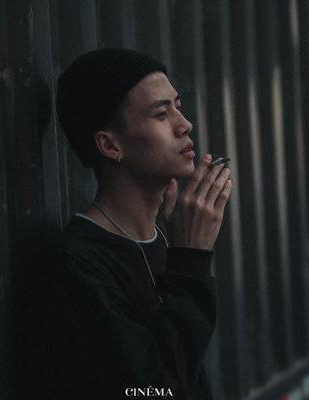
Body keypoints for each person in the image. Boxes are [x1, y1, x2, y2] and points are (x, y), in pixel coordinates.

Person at [53, 48, 232, 400]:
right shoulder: (80, 262)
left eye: (178, 106)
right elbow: (153, 390)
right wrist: (191, 259)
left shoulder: (162, 237)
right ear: (110, 145)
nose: (185, 124)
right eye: (161, 114)